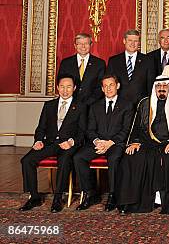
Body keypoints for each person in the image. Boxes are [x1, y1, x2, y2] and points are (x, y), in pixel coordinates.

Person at [116, 75, 169, 215]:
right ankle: (132, 203)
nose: (161, 89)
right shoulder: (145, 104)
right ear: (154, 88)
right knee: (132, 157)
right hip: (148, 142)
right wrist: (135, 142)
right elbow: (137, 127)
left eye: (164, 86)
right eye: (158, 86)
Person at [19, 75, 85, 213]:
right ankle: (34, 197)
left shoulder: (81, 106)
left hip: (68, 144)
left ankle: (57, 198)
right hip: (49, 143)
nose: (65, 90)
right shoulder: (49, 105)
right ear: (57, 88)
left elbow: (82, 131)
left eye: (68, 87)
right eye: (62, 86)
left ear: (74, 88)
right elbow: (41, 128)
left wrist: (71, 142)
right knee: (27, 160)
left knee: (65, 160)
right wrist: (37, 141)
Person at [73, 75, 133, 211]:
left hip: (116, 143)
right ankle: (90, 193)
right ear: (102, 89)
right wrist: (98, 142)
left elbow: (126, 130)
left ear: (117, 86)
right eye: (105, 86)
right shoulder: (95, 106)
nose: (108, 88)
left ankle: (113, 195)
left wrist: (109, 143)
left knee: (113, 158)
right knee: (78, 157)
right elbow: (90, 130)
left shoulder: (127, 105)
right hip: (98, 143)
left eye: (111, 85)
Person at [107, 29, 155, 106]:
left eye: (136, 41)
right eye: (130, 40)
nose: (133, 43)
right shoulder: (113, 61)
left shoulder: (148, 60)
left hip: (141, 105)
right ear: (124, 41)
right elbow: (108, 83)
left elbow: (151, 85)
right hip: (119, 105)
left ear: (139, 43)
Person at [57, 33, 106, 106]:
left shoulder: (99, 63)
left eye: (86, 43)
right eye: (79, 44)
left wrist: (87, 103)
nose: (83, 46)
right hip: (70, 105)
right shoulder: (66, 63)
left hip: (92, 105)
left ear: (91, 45)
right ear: (75, 46)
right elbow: (61, 83)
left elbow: (101, 86)